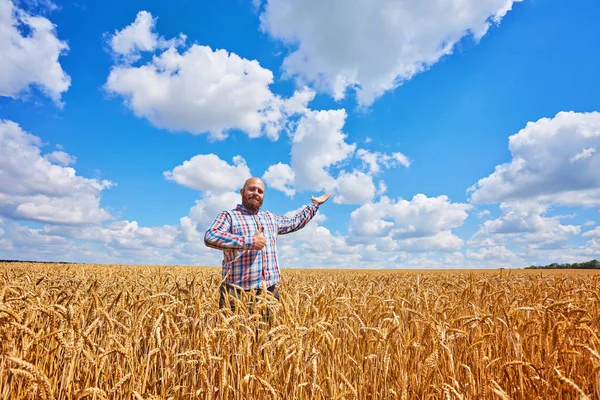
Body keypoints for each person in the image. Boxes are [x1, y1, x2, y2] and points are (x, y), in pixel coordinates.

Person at [204, 177, 330, 319]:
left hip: (269, 291)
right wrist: (250, 241)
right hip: (236, 292)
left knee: (267, 336)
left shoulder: (271, 218)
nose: (256, 193)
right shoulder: (229, 216)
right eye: (252, 189)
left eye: (260, 191)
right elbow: (210, 236)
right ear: (242, 192)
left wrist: (314, 205)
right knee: (234, 339)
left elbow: (294, 223)